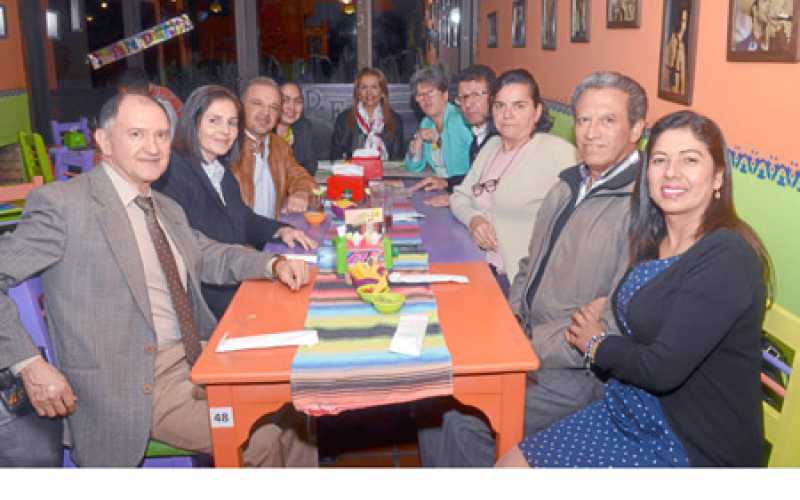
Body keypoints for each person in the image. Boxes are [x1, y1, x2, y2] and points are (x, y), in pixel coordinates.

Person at [0, 91, 317, 466]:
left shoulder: (163, 206)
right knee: (259, 437)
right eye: (136, 134)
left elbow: (208, 253)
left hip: (195, 359)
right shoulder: (65, 204)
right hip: (133, 385)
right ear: (104, 141)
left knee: (299, 408)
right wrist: (28, 364)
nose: (153, 147)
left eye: (162, 135)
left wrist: (272, 264)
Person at [499, 110, 771, 467]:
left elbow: (661, 368)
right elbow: (652, 310)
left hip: (688, 441)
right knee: (510, 465)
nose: (672, 172)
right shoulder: (653, 239)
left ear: (718, 176)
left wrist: (596, 343)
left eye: (690, 160)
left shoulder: (727, 255)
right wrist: (606, 306)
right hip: (627, 408)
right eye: (660, 160)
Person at [417, 71, 647, 467]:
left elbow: (616, 317)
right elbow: (528, 263)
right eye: (584, 119)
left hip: (577, 371)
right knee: (434, 397)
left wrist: (529, 346)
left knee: (457, 420)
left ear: (637, 128)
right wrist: (511, 321)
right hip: (527, 338)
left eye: (607, 120)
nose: (591, 133)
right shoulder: (569, 185)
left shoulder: (641, 206)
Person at [153, 84, 317, 319]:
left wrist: (280, 229)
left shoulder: (220, 170)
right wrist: (269, 264)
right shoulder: (172, 174)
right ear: (193, 121)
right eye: (214, 121)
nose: (225, 130)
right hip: (208, 303)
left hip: (237, 281)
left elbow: (243, 218)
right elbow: (195, 254)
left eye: (231, 123)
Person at [449, 69, 577, 293]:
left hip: (515, 281)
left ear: (536, 112)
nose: (507, 115)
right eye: (500, 106)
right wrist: (474, 220)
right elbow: (460, 196)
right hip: (474, 263)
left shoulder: (558, 153)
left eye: (519, 106)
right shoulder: (491, 146)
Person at [411, 65, 498, 207]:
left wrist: (456, 198)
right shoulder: (478, 132)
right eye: (463, 97)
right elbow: (475, 179)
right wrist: (447, 183)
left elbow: (495, 188)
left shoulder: (498, 136)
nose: (468, 104)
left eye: (476, 95)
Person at [230, 77, 316, 219]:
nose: (266, 113)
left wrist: (301, 192)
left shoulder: (279, 146)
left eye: (274, 107)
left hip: (273, 233)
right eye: (258, 103)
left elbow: (302, 177)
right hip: (239, 239)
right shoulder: (228, 145)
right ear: (241, 106)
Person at [403, 66, 472, 182]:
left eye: (430, 93)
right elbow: (413, 167)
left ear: (445, 95)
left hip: (462, 187)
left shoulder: (459, 120)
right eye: (420, 95)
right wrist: (418, 143)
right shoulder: (426, 123)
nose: (426, 99)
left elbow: (468, 165)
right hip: (441, 186)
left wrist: (438, 140)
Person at [330, 68, 405, 161]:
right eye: (364, 87)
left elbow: (398, 160)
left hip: (386, 174)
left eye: (374, 87)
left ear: (382, 92)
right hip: (353, 173)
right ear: (358, 93)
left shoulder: (395, 120)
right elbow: (335, 157)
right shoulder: (344, 119)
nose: (369, 92)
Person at [276, 81, 318, 175]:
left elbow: (311, 167)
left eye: (297, 101)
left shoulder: (304, 127)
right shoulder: (264, 132)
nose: (292, 107)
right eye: (285, 100)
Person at [666, 9, 688, 95]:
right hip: (675, 82)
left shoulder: (684, 43)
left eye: (685, 21)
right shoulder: (673, 39)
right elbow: (670, 64)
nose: (684, 25)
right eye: (682, 21)